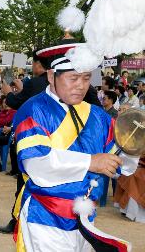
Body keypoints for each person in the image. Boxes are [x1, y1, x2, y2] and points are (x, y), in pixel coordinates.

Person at [12, 43, 123, 251]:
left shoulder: (98, 115)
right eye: (73, 78)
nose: (81, 86)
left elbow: (118, 158)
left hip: (86, 218)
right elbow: (36, 164)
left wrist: (132, 147)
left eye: (86, 78)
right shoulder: (33, 110)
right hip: (44, 217)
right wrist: (91, 162)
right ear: (51, 76)